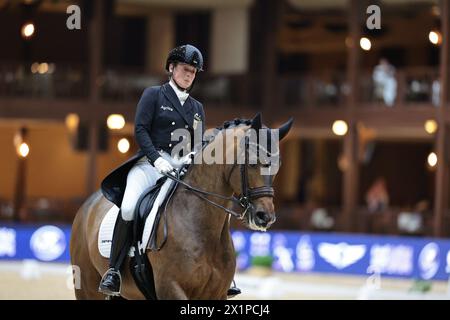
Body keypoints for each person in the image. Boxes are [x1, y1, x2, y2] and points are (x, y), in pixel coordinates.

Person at [98, 44, 241, 298]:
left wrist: (194, 158)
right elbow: (140, 130)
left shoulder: (197, 108)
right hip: (149, 165)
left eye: (194, 72)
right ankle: (114, 270)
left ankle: (224, 274)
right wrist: (156, 159)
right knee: (130, 205)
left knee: (218, 210)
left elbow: (198, 143)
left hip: (181, 169)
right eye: (185, 69)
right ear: (172, 68)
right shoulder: (154, 95)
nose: (189, 75)